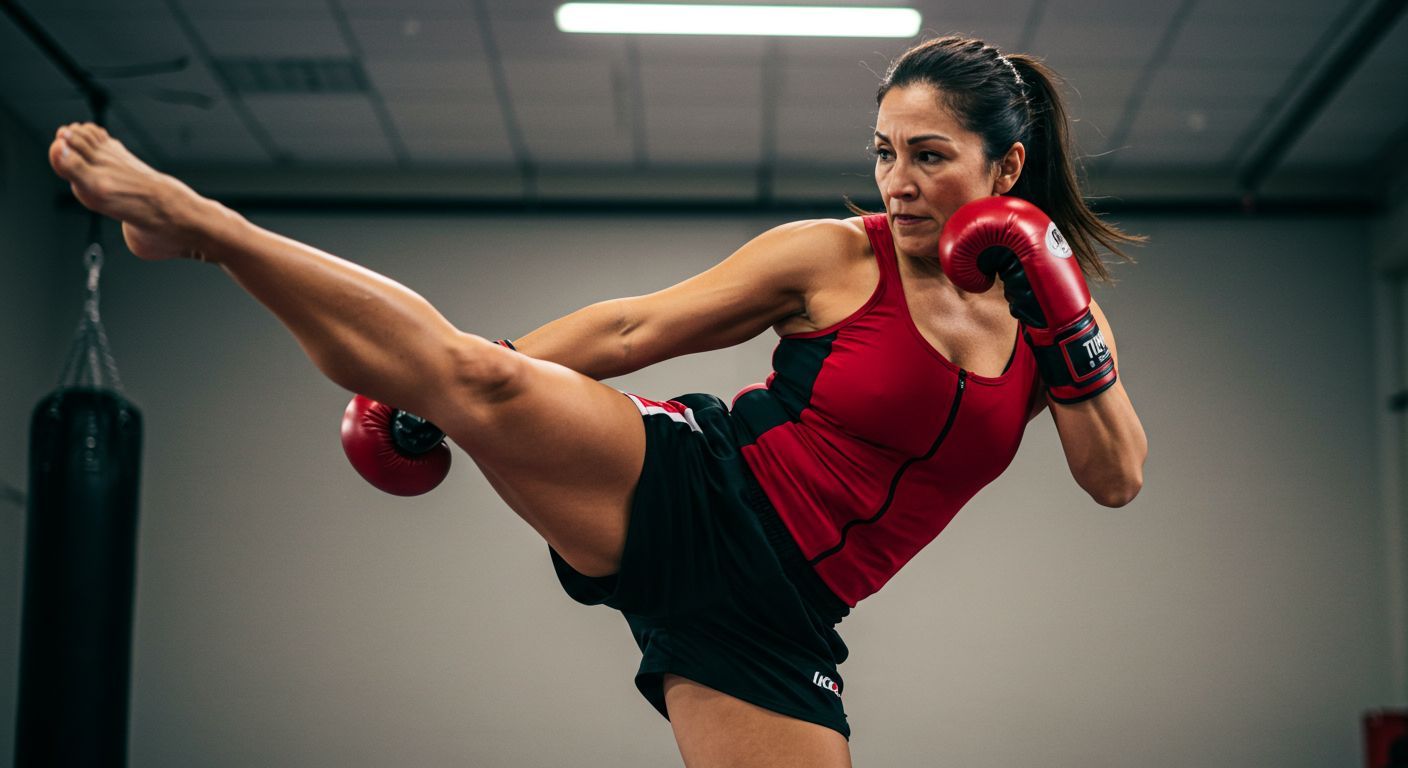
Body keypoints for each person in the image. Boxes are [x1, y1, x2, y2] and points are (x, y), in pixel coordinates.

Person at [47, 34, 1147, 768]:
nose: (897, 182)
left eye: (928, 156)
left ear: (1005, 170)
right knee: (473, 376)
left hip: (777, 621)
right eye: (883, 153)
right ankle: (206, 226)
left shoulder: (1053, 312)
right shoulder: (834, 255)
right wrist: (464, 390)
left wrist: (1059, 318)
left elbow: (1114, 478)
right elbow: (633, 329)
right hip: (697, 492)